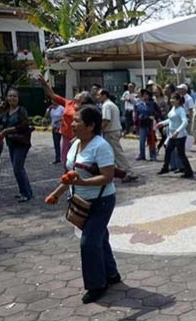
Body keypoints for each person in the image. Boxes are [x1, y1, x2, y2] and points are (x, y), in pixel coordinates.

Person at [45, 106, 122, 304]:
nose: (72, 124)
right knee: (99, 238)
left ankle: (97, 285)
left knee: (88, 243)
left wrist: (82, 183)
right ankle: (112, 274)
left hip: (101, 202)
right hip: (81, 201)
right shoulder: (76, 144)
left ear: (90, 126)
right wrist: (56, 194)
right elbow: (70, 175)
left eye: (77, 121)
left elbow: (107, 177)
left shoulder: (101, 146)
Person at [37, 76, 97, 168]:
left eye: (80, 94)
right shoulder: (68, 103)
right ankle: (68, 175)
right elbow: (52, 95)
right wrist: (44, 84)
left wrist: (76, 138)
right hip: (66, 135)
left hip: (79, 136)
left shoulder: (86, 109)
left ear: (84, 100)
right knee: (65, 160)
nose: (77, 94)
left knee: (78, 161)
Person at [0, 89, 33, 202]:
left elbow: (25, 125)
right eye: (10, 96)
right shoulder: (5, 111)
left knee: (17, 168)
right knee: (18, 168)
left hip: (21, 143)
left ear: (18, 99)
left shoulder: (21, 110)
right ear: (6, 98)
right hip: (11, 143)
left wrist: (8, 130)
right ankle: (25, 191)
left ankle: (26, 193)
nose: (12, 98)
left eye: (15, 96)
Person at [98, 90, 138, 182]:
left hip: (111, 132)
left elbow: (106, 120)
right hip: (114, 130)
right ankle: (119, 172)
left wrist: (99, 130)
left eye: (99, 95)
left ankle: (129, 172)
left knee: (117, 153)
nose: (97, 97)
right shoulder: (111, 104)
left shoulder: (106, 105)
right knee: (113, 154)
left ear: (104, 95)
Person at [156, 93, 194, 178]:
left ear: (179, 100)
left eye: (174, 99)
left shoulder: (181, 110)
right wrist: (162, 123)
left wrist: (177, 131)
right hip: (172, 135)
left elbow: (185, 122)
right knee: (168, 150)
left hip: (180, 136)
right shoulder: (173, 108)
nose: (172, 100)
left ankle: (189, 171)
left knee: (181, 154)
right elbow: (171, 120)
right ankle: (165, 167)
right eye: (171, 98)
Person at [134, 89, 160, 162]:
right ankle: (142, 155)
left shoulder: (153, 104)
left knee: (151, 140)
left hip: (151, 124)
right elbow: (136, 115)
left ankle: (153, 155)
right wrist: (135, 124)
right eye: (143, 94)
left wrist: (154, 116)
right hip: (142, 124)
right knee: (142, 141)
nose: (145, 96)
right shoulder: (138, 105)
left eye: (146, 94)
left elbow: (158, 113)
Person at [45, 98, 64, 164]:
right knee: (56, 143)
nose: (53, 101)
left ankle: (64, 157)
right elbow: (46, 117)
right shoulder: (50, 108)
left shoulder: (61, 108)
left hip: (61, 127)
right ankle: (57, 158)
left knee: (64, 143)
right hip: (54, 128)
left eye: (55, 100)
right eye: (52, 100)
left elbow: (65, 117)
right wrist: (49, 110)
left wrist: (59, 120)